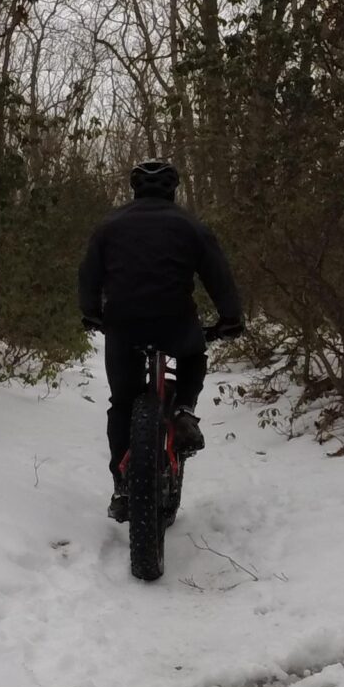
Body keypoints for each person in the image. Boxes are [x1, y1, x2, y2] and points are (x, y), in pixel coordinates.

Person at [78, 158, 244, 518]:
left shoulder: (108, 226)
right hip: (174, 320)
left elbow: (88, 275)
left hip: (123, 323)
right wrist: (230, 318)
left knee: (122, 403)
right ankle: (184, 410)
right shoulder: (191, 226)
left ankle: (123, 485)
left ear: (134, 188)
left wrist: (92, 313)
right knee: (193, 354)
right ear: (173, 189)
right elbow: (219, 277)